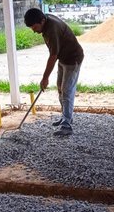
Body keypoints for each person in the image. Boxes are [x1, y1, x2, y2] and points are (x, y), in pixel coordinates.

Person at [24, 8, 84, 137]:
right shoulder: (46, 21)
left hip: (72, 58)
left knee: (67, 90)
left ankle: (66, 125)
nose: (33, 30)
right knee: (60, 89)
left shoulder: (52, 29)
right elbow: (55, 54)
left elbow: (53, 55)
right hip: (63, 58)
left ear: (42, 20)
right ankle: (65, 117)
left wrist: (45, 78)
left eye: (34, 27)